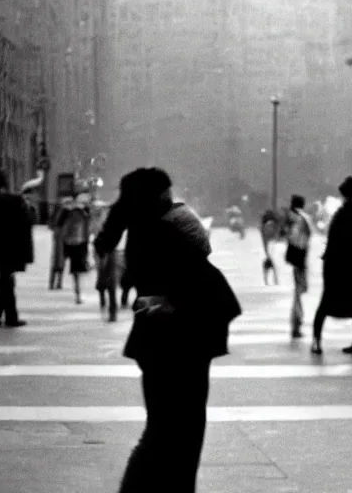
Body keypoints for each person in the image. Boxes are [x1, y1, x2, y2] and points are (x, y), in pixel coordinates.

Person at [94, 167, 240, 492]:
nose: (173, 198)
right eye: (167, 192)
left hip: (166, 343)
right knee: (178, 433)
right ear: (156, 196)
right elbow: (190, 281)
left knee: (164, 431)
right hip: (179, 344)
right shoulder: (161, 232)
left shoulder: (146, 231)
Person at [311, 176, 352, 355]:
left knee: (329, 306)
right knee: (351, 310)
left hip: (338, 268)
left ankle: (319, 341)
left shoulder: (345, 214)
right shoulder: (348, 215)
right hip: (341, 270)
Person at [0, 171, 34, 327]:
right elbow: (26, 223)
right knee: (7, 282)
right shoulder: (14, 201)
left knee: (5, 282)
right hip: (11, 250)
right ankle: (7, 317)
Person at [56, 194, 92, 304]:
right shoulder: (83, 212)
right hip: (77, 242)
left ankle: (61, 282)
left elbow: (58, 225)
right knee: (76, 270)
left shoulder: (67, 211)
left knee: (66, 263)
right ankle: (77, 294)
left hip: (69, 241)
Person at [285, 195, 312, 339]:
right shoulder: (301, 218)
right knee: (298, 292)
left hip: (298, 261)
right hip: (299, 261)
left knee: (300, 291)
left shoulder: (294, 218)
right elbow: (300, 240)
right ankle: (296, 325)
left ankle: (296, 323)